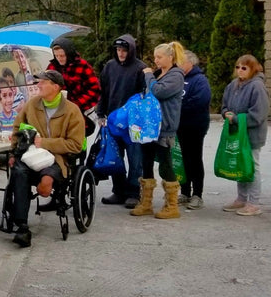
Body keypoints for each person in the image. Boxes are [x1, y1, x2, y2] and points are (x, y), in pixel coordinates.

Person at [6, 70, 85, 248]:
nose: (38, 85)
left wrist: (46, 143)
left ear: (56, 87)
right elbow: (17, 128)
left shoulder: (72, 111)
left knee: (46, 181)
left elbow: (75, 145)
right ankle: (22, 227)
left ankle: (47, 185)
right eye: (38, 82)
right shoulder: (32, 104)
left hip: (58, 158)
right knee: (19, 173)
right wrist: (13, 153)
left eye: (42, 82)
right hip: (30, 154)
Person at [131, 41, 185, 219]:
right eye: (155, 57)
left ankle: (172, 205)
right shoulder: (157, 74)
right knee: (146, 161)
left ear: (170, 57)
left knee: (165, 163)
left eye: (159, 57)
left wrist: (148, 77)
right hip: (149, 127)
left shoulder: (176, 75)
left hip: (164, 128)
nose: (156, 60)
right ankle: (146, 203)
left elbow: (159, 91)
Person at [96, 34, 147, 208]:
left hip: (134, 123)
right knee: (115, 157)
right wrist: (101, 114)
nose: (121, 53)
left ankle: (133, 192)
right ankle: (118, 190)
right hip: (112, 120)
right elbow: (103, 92)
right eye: (118, 50)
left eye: (124, 50)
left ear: (131, 50)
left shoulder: (141, 68)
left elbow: (145, 96)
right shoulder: (109, 67)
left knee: (135, 159)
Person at [220, 54, 270, 216]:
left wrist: (235, 118)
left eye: (244, 68)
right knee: (240, 165)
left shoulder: (257, 86)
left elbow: (259, 114)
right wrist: (226, 112)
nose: (240, 70)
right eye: (238, 67)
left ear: (253, 69)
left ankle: (254, 203)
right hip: (236, 132)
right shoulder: (233, 85)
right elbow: (224, 105)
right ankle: (241, 199)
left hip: (252, 134)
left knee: (252, 167)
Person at [177, 50, 212, 210]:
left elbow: (200, 101)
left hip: (196, 125)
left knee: (195, 159)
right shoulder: (177, 78)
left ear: (190, 63)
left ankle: (197, 194)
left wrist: (178, 108)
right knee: (183, 159)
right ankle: (185, 191)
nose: (178, 65)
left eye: (181, 61)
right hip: (180, 126)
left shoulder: (200, 80)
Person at [46, 38, 101, 131]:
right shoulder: (52, 67)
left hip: (80, 112)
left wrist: (77, 104)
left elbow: (95, 89)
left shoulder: (82, 66)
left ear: (69, 54)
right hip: (58, 113)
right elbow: (45, 87)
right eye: (57, 56)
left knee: (79, 141)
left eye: (62, 56)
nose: (59, 58)